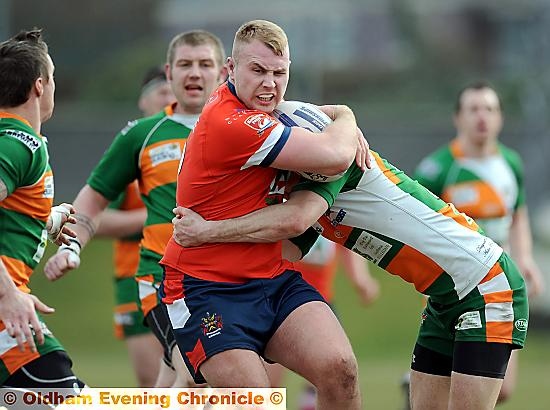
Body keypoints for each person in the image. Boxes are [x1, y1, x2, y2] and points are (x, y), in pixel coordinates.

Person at [169, 110, 529, 409]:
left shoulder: (331, 166)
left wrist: (206, 231)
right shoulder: (305, 189)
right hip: (444, 298)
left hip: (487, 285)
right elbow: (284, 249)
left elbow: (292, 220)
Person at [159, 20, 368, 410]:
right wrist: (345, 116)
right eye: (257, 71)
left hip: (270, 279)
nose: (270, 83)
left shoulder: (273, 114)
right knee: (254, 402)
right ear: (230, 71)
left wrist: (334, 129)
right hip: (204, 288)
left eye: (279, 72)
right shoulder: (231, 120)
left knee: (341, 369)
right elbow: (333, 160)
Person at [43, 30, 227, 388]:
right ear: (169, 72)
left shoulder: (247, 129)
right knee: (194, 372)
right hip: (160, 279)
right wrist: (72, 245)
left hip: (226, 282)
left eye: (205, 64)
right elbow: (93, 200)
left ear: (223, 73)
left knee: (182, 380)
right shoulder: (141, 134)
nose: (195, 73)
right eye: (185, 64)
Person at [413, 81, 544, 404]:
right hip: (456, 286)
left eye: (490, 109)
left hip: (500, 285)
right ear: (458, 118)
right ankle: (418, 383)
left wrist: (524, 258)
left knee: (504, 387)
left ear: (500, 118)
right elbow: (415, 226)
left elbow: (518, 214)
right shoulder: (438, 169)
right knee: (454, 380)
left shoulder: (510, 164)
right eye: (473, 109)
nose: (482, 117)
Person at [0, 28, 85, 391]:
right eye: (52, 79)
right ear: (39, 85)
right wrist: (8, 295)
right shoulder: (20, 143)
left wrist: (47, 220)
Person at [94, 66, 175, 387]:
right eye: (162, 92)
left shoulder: (198, 143)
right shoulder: (132, 148)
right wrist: (156, 216)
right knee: (152, 381)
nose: (171, 98)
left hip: (192, 276)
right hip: (135, 276)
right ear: (143, 102)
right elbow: (94, 219)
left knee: (197, 382)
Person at [266, 237, 379, 410]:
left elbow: (346, 236)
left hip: (319, 304)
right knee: (263, 387)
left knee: (333, 378)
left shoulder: (329, 212)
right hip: (274, 300)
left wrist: (360, 277)